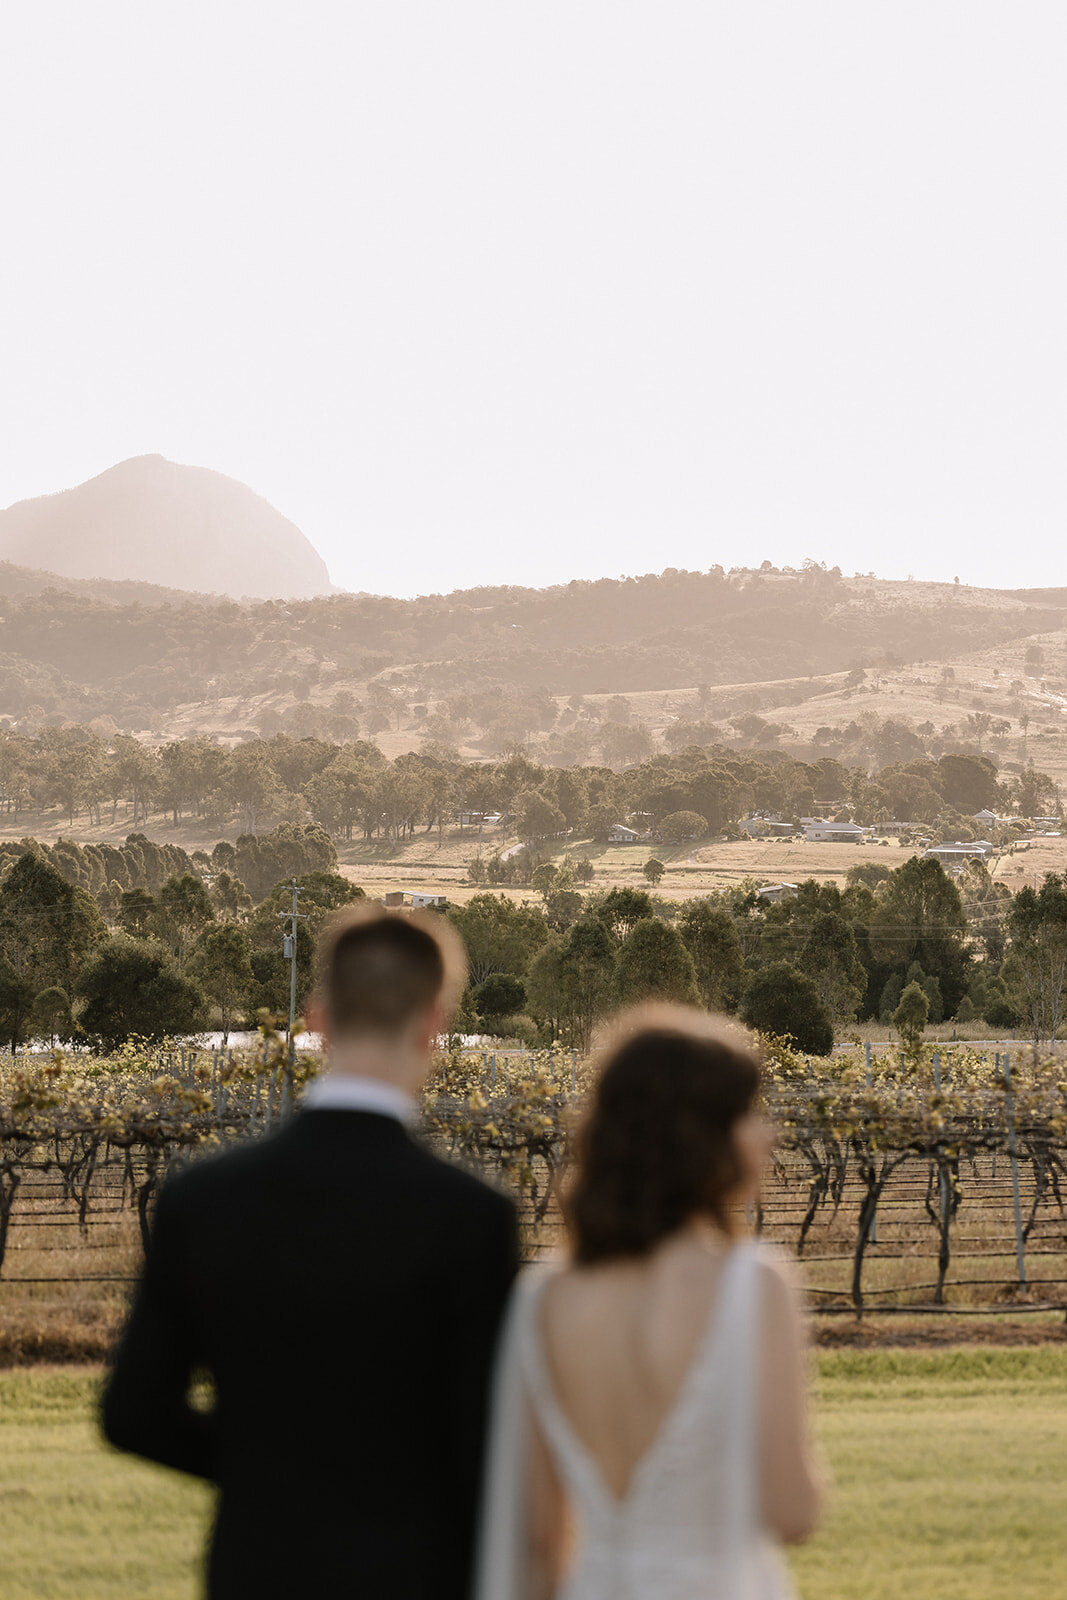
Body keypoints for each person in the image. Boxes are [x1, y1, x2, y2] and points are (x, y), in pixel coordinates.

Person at [102, 904, 520, 1600]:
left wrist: (264, 1467)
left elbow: (135, 1415)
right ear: (433, 1027)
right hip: (419, 1573)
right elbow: (484, 1442)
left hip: (259, 1569)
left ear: (317, 1019)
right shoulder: (471, 1216)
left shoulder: (202, 1199)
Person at [475, 1004, 822, 1600]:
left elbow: (538, 1535)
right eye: (746, 1112)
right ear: (700, 1136)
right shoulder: (752, 1283)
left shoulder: (543, 1299)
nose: (768, 1135)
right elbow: (793, 1512)